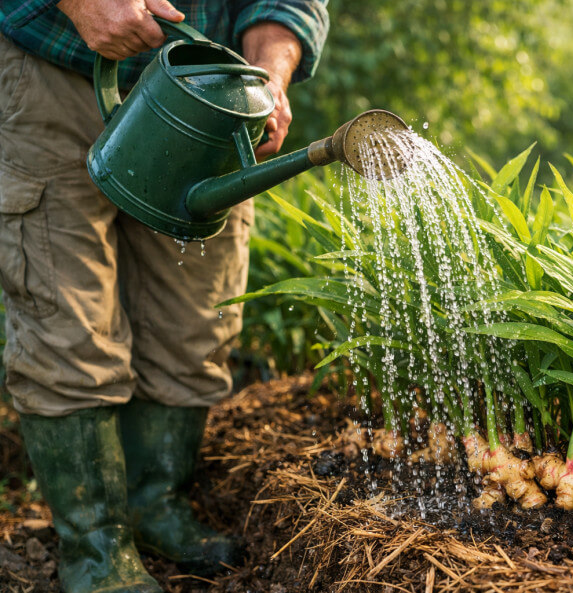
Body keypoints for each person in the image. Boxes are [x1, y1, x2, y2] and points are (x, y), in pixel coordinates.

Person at [0, 0, 328, 591]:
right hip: (51, 65)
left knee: (194, 323)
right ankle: (95, 548)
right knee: (65, 317)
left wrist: (269, 74)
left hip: (211, 95)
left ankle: (156, 506)